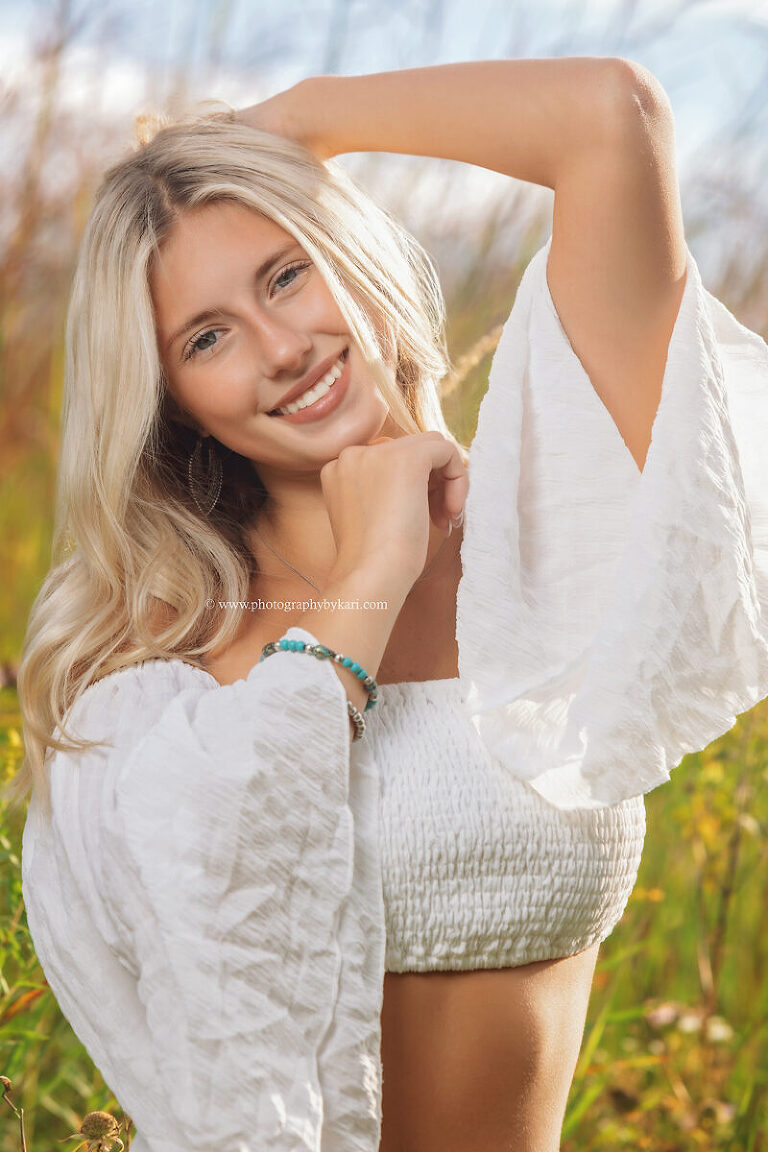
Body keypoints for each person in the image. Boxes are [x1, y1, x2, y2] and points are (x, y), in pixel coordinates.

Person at [8, 59, 768, 1152]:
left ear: (348, 255)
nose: (283, 349)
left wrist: (299, 118)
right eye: (207, 338)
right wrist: (372, 567)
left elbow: (615, 118)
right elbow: (225, 1048)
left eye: (287, 275)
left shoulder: (545, 527)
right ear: (175, 404)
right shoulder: (172, 661)